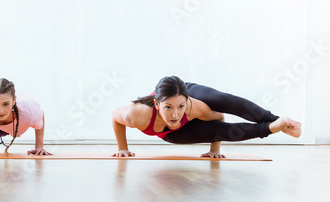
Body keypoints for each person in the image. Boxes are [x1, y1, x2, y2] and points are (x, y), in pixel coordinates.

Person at [112, 76, 301, 158]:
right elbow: (115, 116)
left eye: (180, 107)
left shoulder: (193, 107)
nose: (175, 114)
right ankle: (272, 128)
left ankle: (281, 122)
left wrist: (214, 148)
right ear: (156, 104)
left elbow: (218, 118)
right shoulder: (136, 114)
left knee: (221, 100)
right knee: (219, 132)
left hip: (191, 93)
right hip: (172, 133)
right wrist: (122, 148)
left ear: (186, 103)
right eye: (168, 108)